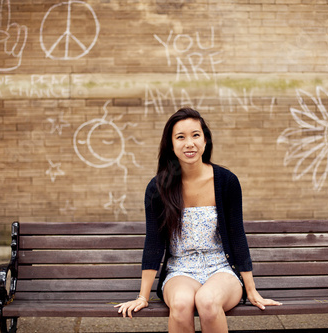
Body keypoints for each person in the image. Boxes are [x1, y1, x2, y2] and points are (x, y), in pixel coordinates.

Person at [115, 108, 282, 332]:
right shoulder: (158, 188)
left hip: (222, 269)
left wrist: (251, 291)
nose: (189, 143)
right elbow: (154, 242)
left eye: (195, 135)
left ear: (205, 140)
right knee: (182, 304)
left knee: (207, 301)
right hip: (180, 270)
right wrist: (142, 297)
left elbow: (237, 235)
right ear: (171, 145)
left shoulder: (226, 182)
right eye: (180, 137)